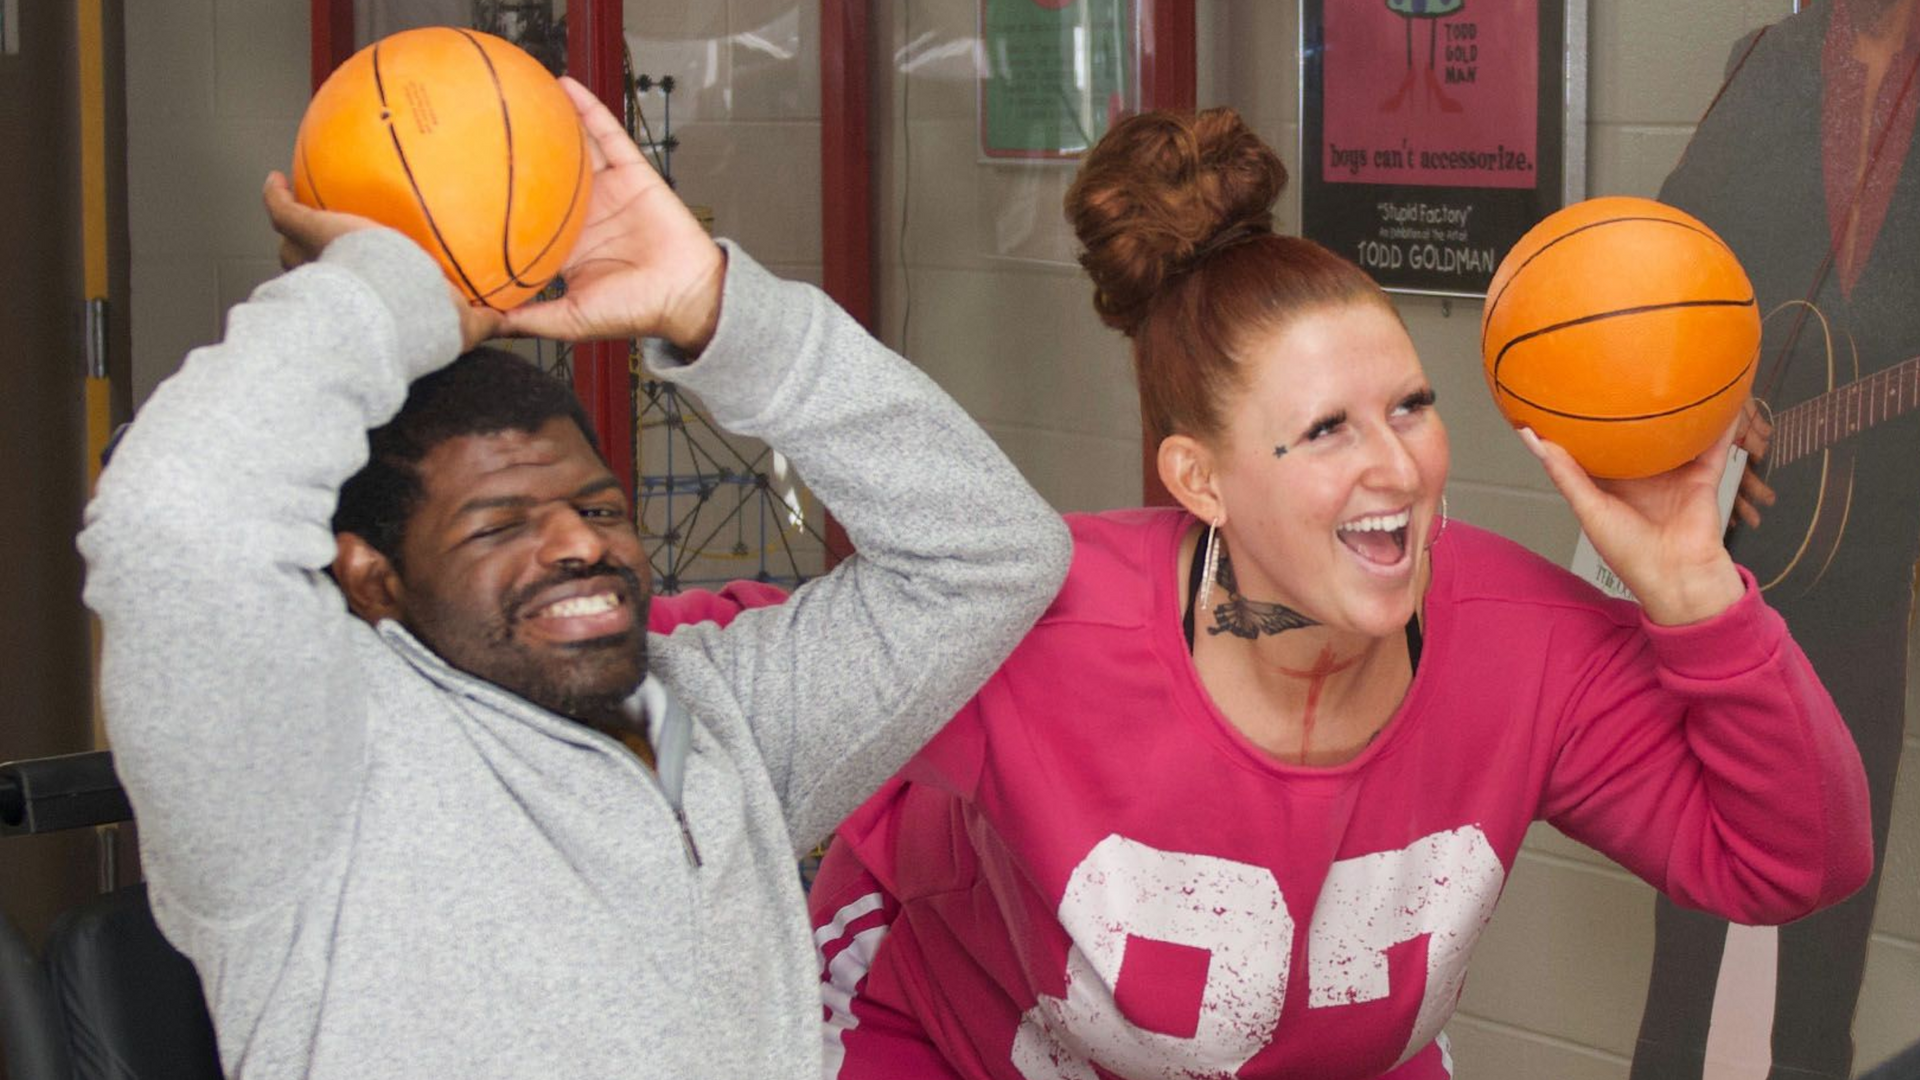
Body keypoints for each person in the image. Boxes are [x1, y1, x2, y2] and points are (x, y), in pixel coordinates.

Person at [806, 107, 1874, 1080]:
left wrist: (1695, 589)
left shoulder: (1521, 643)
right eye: (1327, 430)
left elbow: (1795, 862)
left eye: (1411, 407)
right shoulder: (1037, 618)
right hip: (942, 1040)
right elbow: (697, 690)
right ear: (1199, 479)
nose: (1400, 471)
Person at [76, 77, 1071, 1078]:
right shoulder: (299, 775)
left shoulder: (719, 725)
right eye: (497, 525)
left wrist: (717, 313)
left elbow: (987, 555)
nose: (579, 545)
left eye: (598, 509)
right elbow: (172, 521)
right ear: (372, 581)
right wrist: (389, 288)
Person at [1632, 2, 1920, 1077]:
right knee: (1694, 934)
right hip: (1737, 557)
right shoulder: (1771, 62)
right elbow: (1666, 265)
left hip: (1874, 564)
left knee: (1826, 945)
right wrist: (1700, 399)